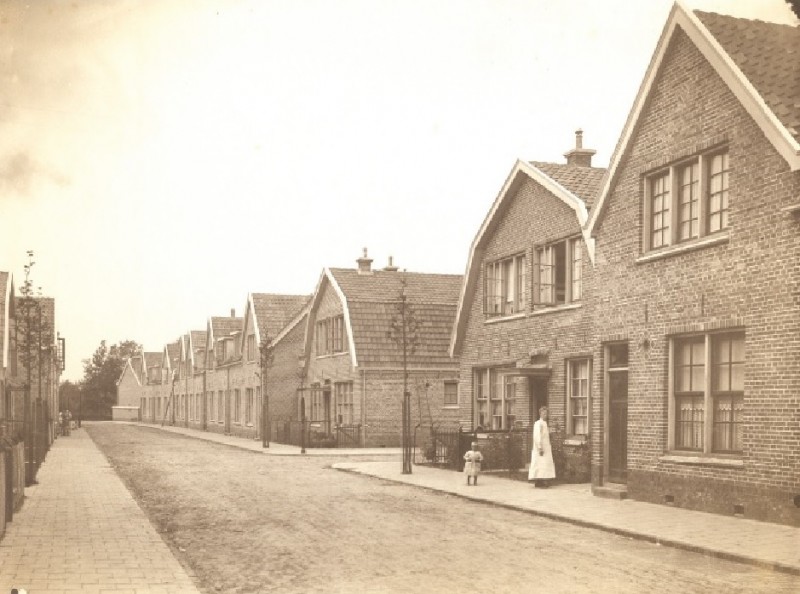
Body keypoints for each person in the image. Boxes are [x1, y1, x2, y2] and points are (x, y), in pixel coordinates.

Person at [528, 406, 555, 487]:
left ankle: (542, 480)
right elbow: (537, 436)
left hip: (546, 446)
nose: (545, 415)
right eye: (543, 413)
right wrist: (540, 447)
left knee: (545, 463)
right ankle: (540, 481)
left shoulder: (545, 423)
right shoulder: (538, 423)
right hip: (540, 447)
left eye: (546, 413)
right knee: (540, 463)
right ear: (540, 414)